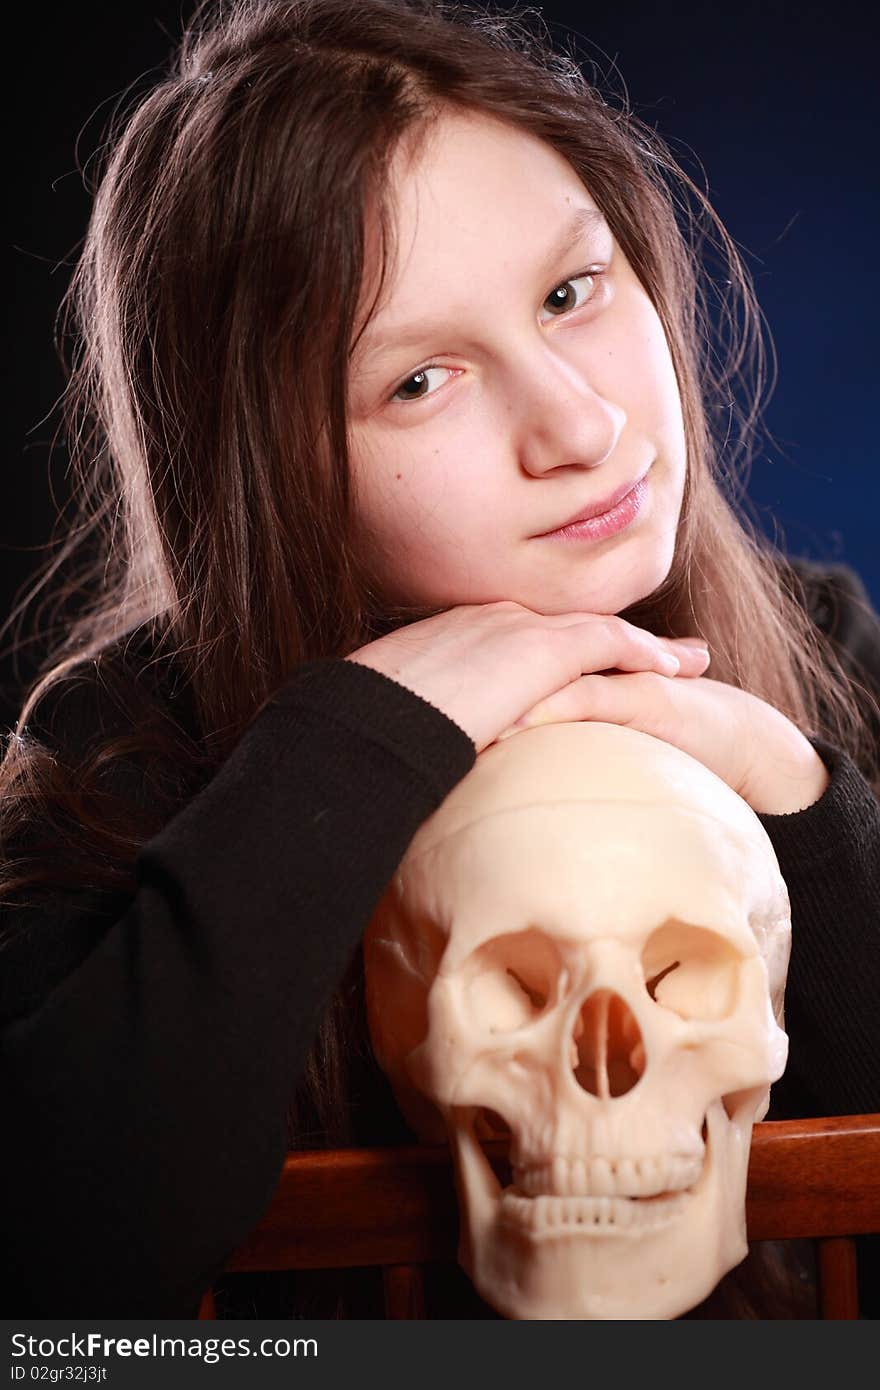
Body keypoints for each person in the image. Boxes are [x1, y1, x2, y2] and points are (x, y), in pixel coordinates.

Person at [2, 0, 878, 1320]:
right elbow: (59, 1236)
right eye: (421, 379)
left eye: (573, 293)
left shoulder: (823, 648)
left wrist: (803, 799)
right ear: (270, 468)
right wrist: (358, 735)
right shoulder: (120, 746)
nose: (581, 424)